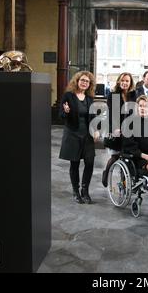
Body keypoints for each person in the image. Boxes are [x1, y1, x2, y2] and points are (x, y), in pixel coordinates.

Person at [59, 71, 100, 204]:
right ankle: (76, 192)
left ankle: (85, 191)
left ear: (90, 84)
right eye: (82, 80)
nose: (84, 83)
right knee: (74, 164)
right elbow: (61, 116)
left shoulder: (89, 99)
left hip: (87, 135)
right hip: (72, 134)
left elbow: (93, 118)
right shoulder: (68, 96)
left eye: (87, 81)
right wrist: (65, 112)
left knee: (89, 163)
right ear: (77, 81)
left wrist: (96, 130)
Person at [102, 72, 137, 187]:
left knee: (128, 156)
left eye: (127, 81)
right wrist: (115, 128)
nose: (124, 83)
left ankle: (125, 182)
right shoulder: (113, 95)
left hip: (130, 129)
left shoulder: (133, 95)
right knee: (115, 156)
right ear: (118, 81)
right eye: (122, 80)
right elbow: (112, 114)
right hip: (116, 128)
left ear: (130, 82)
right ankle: (106, 173)